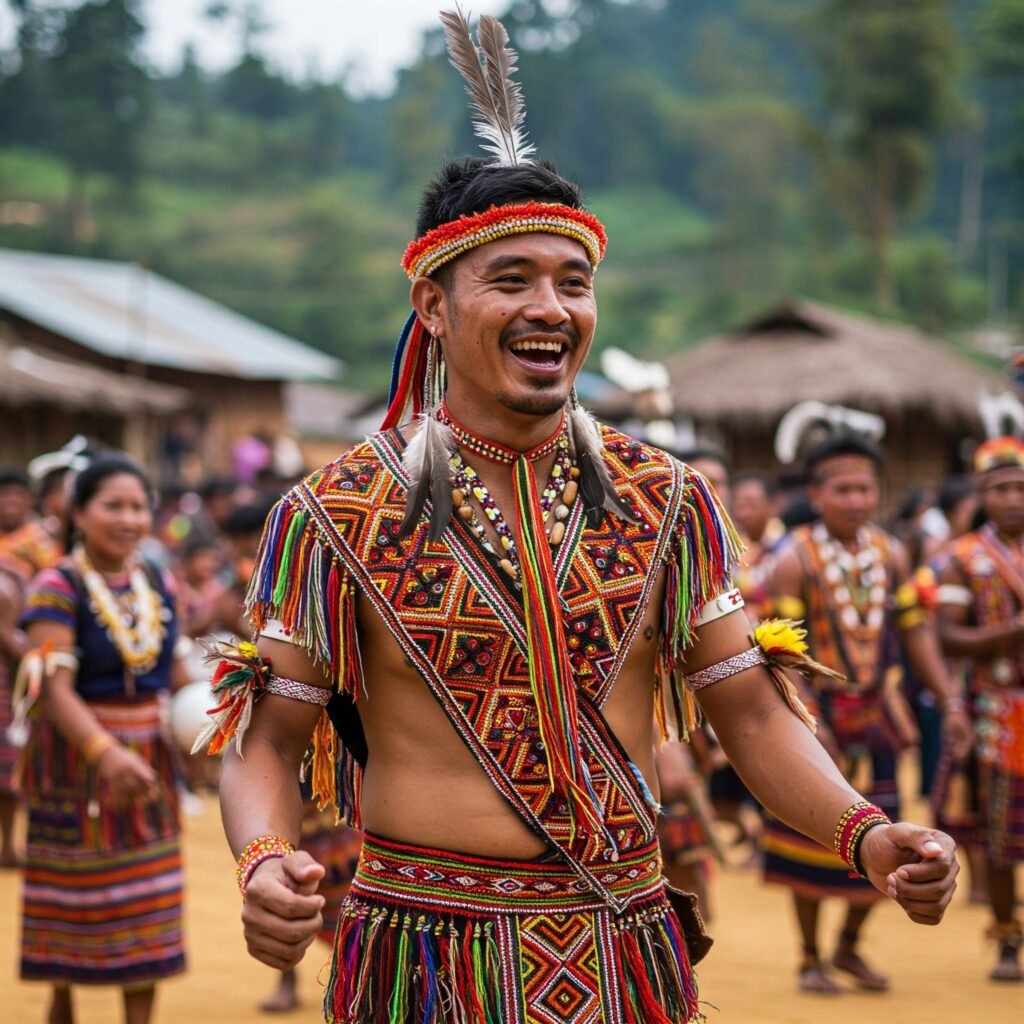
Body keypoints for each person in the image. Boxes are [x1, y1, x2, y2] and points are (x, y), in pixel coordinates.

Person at [204, 11, 960, 1022]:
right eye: (509, 280)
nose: (550, 308)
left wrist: (867, 832)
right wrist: (262, 856)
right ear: (432, 306)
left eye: (573, 282)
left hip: (620, 947)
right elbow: (269, 733)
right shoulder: (334, 511)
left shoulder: (671, 500)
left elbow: (744, 710)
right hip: (421, 957)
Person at [763, 433, 971, 995]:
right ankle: (809, 957)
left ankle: (849, 947)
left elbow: (916, 632)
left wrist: (949, 699)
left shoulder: (892, 554)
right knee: (808, 836)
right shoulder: (793, 560)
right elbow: (778, 654)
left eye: (865, 489)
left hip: (877, 715)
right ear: (817, 492)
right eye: (843, 488)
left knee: (891, 833)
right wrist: (806, 717)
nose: (857, 499)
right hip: (817, 715)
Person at [16, 455, 187, 1024]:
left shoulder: (157, 580)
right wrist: (105, 753)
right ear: (78, 514)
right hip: (77, 762)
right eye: (113, 505)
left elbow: (174, 673)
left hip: (149, 763)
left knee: (147, 908)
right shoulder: (55, 586)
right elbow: (50, 688)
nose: (129, 518)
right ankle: (61, 1008)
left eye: (139, 506)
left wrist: (223, 699)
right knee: (70, 908)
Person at [934, 436, 1024, 982]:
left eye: (1020, 488)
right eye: (1000, 489)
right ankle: (1008, 938)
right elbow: (946, 636)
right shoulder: (962, 558)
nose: (1013, 498)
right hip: (999, 710)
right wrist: (1011, 633)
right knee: (1002, 834)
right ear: (982, 495)